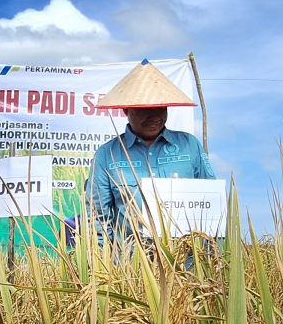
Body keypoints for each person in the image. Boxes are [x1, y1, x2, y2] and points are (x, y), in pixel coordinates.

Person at [86, 60, 216, 247]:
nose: (154, 116)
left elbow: (211, 204)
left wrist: (212, 259)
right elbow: (97, 217)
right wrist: (104, 264)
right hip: (131, 266)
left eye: (160, 107)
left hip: (187, 265)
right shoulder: (107, 155)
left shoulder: (190, 146)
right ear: (126, 109)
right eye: (144, 109)